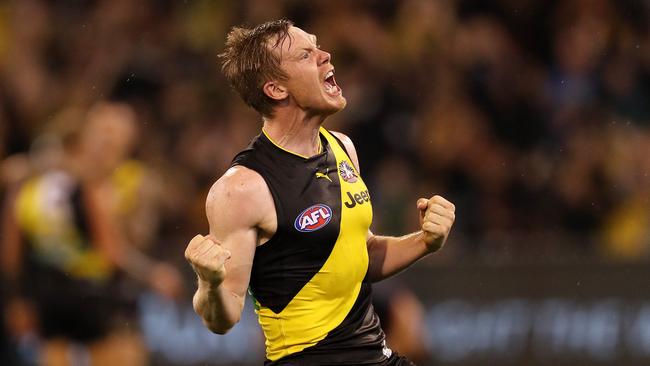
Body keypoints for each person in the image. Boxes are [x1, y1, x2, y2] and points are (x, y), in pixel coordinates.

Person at [184, 19, 456, 366]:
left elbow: (361, 255)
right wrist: (209, 283)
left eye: (318, 47)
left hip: (375, 354)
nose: (326, 56)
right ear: (276, 89)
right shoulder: (241, 189)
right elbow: (222, 318)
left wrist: (424, 242)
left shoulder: (343, 148)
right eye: (306, 54)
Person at [1, 102, 182, 365]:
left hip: (109, 297)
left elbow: (130, 244)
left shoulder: (136, 182)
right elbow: (13, 242)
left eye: (115, 133)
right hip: (62, 295)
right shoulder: (54, 180)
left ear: (129, 140)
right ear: (85, 136)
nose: (106, 140)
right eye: (101, 131)